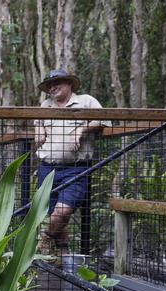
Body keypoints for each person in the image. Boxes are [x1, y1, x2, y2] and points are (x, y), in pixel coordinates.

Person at [34, 69, 110, 259]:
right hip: (47, 168)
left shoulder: (86, 101)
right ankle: (62, 254)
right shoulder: (46, 105)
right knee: (55, 214)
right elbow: (37, 122)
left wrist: (80, 130)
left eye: (56, 83)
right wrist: (39, 127)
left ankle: (42, 238)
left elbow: (105, 119)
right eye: (49, 85)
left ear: (69, 84)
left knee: (64, 210)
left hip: (75, 168)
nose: (52, 88)